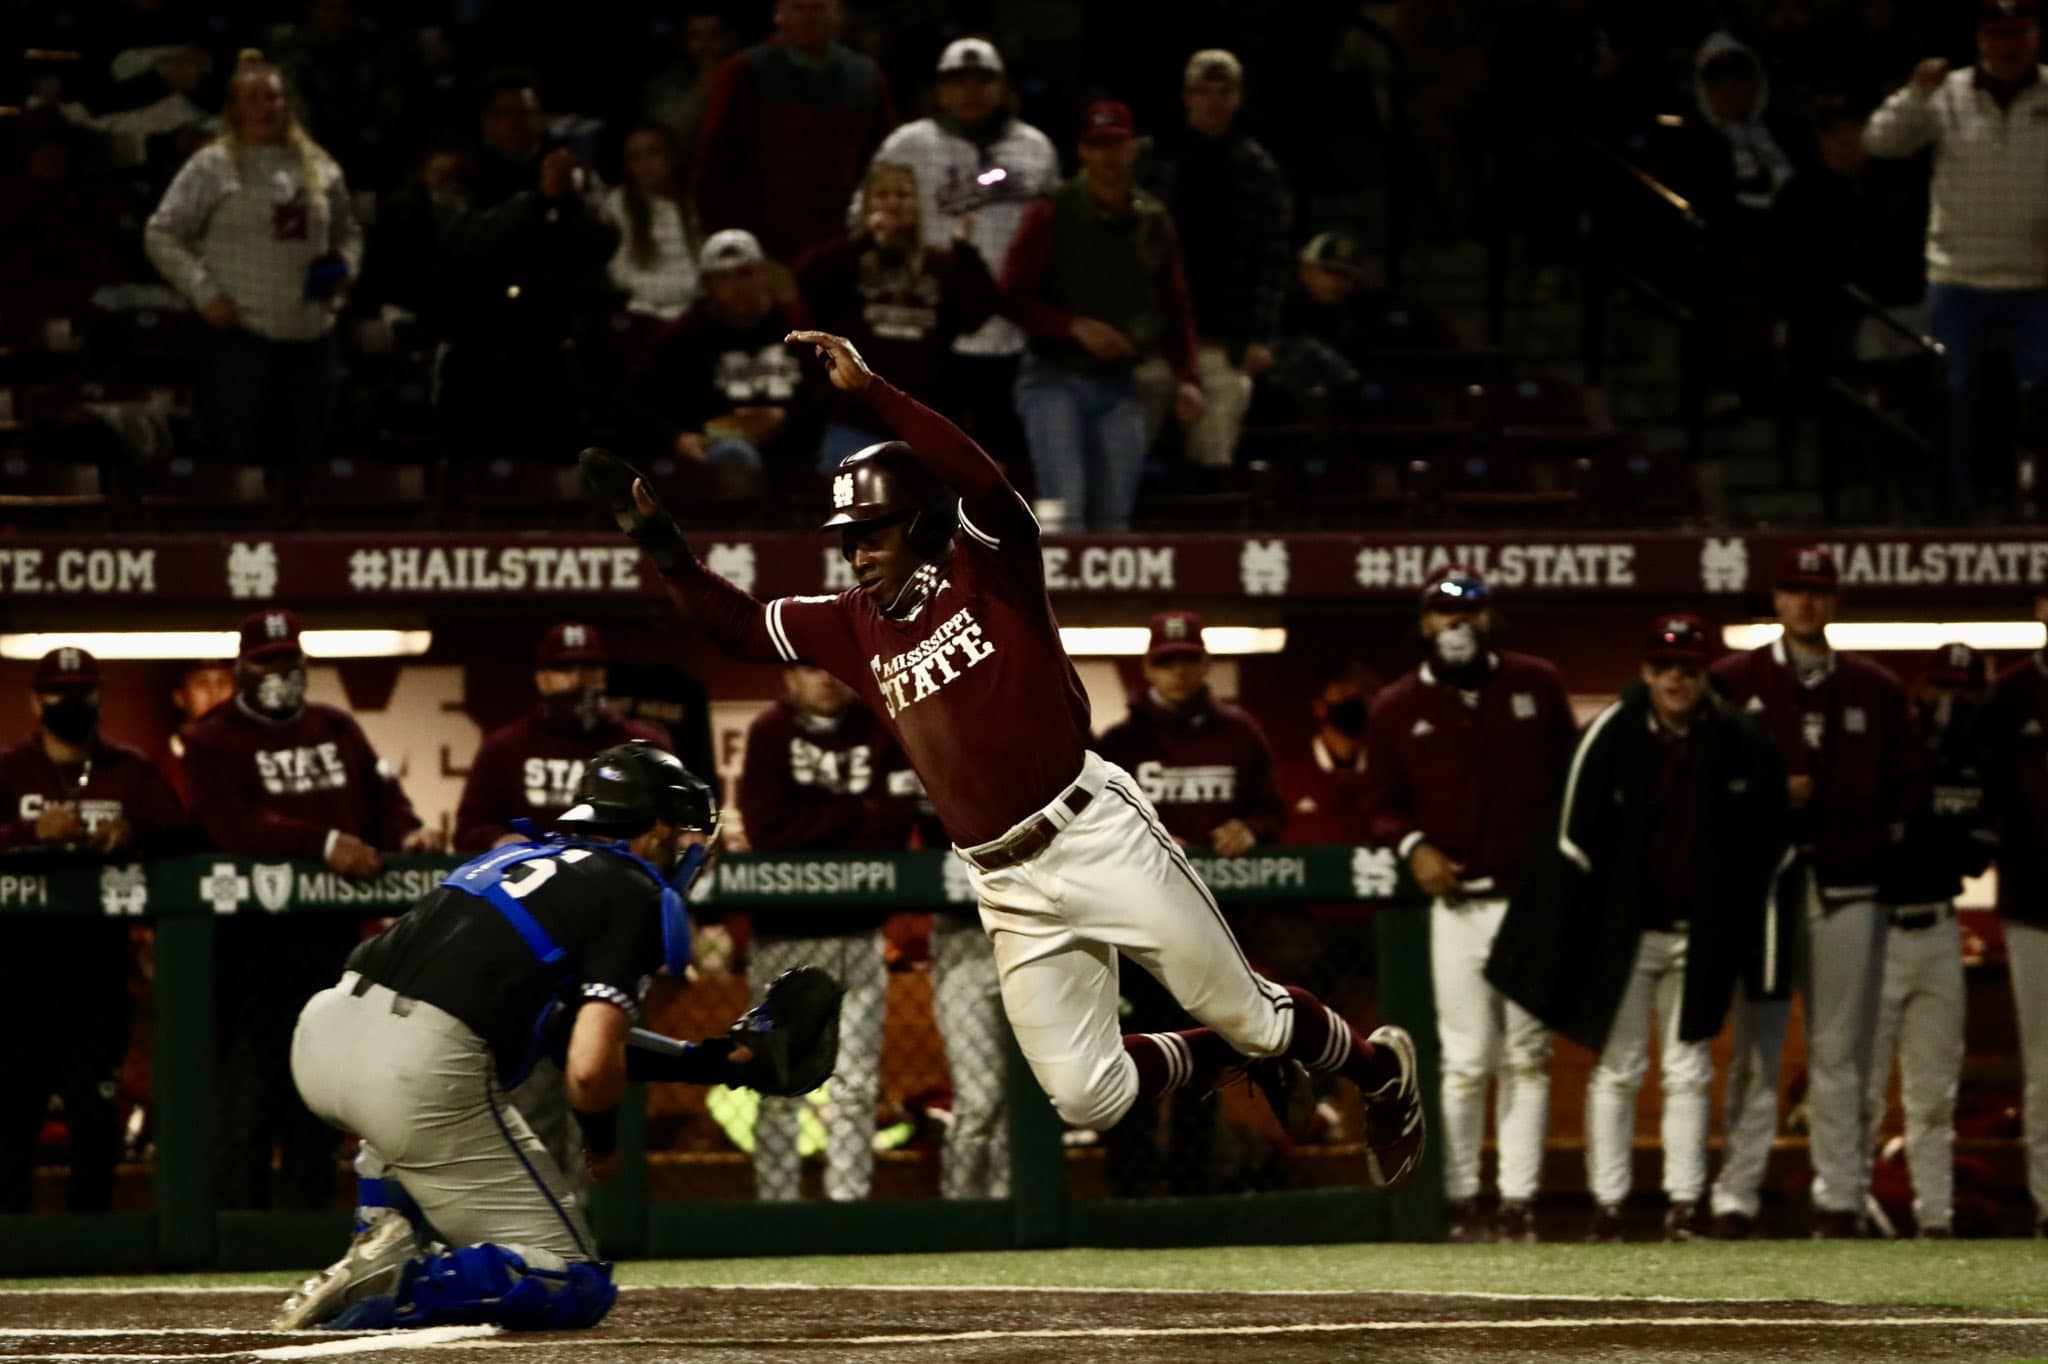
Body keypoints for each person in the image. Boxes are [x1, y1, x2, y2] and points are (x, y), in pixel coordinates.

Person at [584, 328, 1425, 1196]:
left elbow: (983, 479)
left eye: (872, 531)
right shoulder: (850, 622)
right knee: (1086, 1094)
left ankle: (1376, 1074)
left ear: (919, 519)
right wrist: (661, 542)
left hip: (1091, 829)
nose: (856, 551)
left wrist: (875, 392)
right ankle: (1240, 1056)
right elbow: (737, 626)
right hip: (1002, 879)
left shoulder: (992, 569)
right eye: (850, 536)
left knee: (1246, 1011)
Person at [274, 743, 831, 1331]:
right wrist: (601, 1138)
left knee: (412, 1096)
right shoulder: (636, 889)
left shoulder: (515, 858)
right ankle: (406, 1279)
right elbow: (589, 1069)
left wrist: (710, 1061)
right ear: (661, 826)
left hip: (324, 1034)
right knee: (574, 1279)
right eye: (690, 832)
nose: (695, 850)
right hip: (416, 1070)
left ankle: (382, 1232)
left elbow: (558, 1032)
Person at [1489, 616, 1789, 1243]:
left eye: (1689, 668)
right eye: (1664, 667)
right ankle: (1611, 1205)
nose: (1676, 679)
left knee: (1689, 1068)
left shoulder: (1738, 736)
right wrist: (1579, 931)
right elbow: (1570, 839)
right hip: (1626, 934)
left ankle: (1684, 1204)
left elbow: (1768, 839)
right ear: (1646, 672)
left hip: (1701, 933)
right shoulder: (1612, 733)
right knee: (1619, 1067)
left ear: (1706, 675)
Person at [182, 609, 439, 1210]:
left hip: (335, 957)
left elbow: (385, 801)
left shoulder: (336, 728)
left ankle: (309, 1239)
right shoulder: (213, 739)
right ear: (242, 667)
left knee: (320, 1109)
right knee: (246, 1110)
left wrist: (410, 834)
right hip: (249, 961)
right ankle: (234, 1244)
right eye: (265, 661)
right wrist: (322, 843)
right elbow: (229, 822)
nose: (278, 673)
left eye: (287, 661)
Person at [1357, 567, 1577, 1242]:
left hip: (1529, 904)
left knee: (1529, 1056)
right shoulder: (1396, 706)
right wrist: (1415, 844)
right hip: (1454, 908)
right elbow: (1379, 808)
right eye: (1443, 612)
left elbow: (1573, 787)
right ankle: (1457, 1201)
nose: (1457, 623)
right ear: (1423, 623)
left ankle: (1518, 1202)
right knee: (1465, 1060)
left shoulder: (1536, 685)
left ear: (1489, 618)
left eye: (1469, 610)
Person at [1707, 546, 1909, 1239]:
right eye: (1795, 590)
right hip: (1762, 887)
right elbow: (1706, 789)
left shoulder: (1875, 687)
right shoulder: (1732, 680)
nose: (1806, 603)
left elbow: (1902, 789)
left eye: (1818, 591)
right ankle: (1735, 1194)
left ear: (1835, 600)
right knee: (1757, 1048)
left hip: (1848, 884)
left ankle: (1841, 1197)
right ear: (1778, 598)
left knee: (1838, 1050)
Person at [1094, 610, 1287, 1194]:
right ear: (1148, 666)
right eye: (1165, 661)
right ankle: (1127, 1201)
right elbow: (1090, 830)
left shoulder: (1240, 733)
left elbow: (1271, 810)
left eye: (1187, 660)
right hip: (1135, 944)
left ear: (1205, 664)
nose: (1177, 673)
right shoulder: (1119, 743)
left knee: (1204, 1069)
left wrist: (1249, 830)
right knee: (1133, 1065)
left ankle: (1192, 1195)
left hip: (1216, 934)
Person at [0, 648, 192, 1213]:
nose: (72, 703)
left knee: (94, 1122)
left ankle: (92, 1256)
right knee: (11, 1121)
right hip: (15, 979)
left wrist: (132, 832)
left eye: (83, 691)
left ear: (100, 697)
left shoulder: (129, 769)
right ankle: (11, 1251)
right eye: (59, 692)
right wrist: (29, 829)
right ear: (37, 701)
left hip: (97, 979)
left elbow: (185, 835)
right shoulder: (10, 769)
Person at [1865, 0, 2048, 518]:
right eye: (1997, 33)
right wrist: (1914, 93)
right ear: (1981, 41)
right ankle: (1955, 513)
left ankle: (2035, 507)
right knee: (1954, 394)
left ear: (2035, 36)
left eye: (2019, 32)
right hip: (1958, 278)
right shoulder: (1945, 93)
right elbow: (1880, 141)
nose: (2009, 44)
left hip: (2037, 280)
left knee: (2043, 399)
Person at [737, 666, 913, 1201]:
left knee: (857, 1084)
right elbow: (767, 830)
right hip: (782, 935)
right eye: (811, 666)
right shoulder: (769, 731)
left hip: (859, 932)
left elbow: (892, 823)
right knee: (776, 1076)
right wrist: (853, 812)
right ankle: (777, 1208)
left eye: (834, 664)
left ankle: (848, 1204)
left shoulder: (882, 726)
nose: (827, 677)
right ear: (789, 675)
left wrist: (813, 821)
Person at [144, 48, 362, 472]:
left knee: (306, 467)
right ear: (235, 108)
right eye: (255, 98)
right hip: (242, 338)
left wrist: (345, 268)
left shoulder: (319, 165)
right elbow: (161, 233)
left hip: (312, 338)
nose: (267, 107)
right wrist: (204, 294)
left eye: (275, 97)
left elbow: (349, 232)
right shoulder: (212, 165)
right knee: (243, 465)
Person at [855, 37, 1059, 469]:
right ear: (941, 90)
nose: (970, 92)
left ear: (1002, 87)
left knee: (1009, 462)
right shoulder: (909, 143)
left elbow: (1054, 235)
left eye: (982, 81)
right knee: (936, 457)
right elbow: (862, 214)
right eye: (958, 81)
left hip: (1017, 327)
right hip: (935, 326)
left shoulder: (1036, 147)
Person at [1001, 101, 1203, 530]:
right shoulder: (1052, 211)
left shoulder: (1152, 219)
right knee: (1064, 515)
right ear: (1082, 151)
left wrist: (1186, 377)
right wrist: (1072, 326)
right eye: (1099, 145)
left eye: (1117, 145)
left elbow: (1175, 302)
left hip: (1120, 384)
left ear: (1132, 148)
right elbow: (1010, 297)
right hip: (1053, 377)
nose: (1109, 156)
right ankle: (1049, 599)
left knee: (1115, 521)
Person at [1866, 643, 1993, 1239]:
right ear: (1922, 689)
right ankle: (1840, 1208)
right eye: (1943, 687)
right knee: (1860, 1086)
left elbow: (1974, 856)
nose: (1952, 700)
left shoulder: (1978, 759)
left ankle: (1935, 1220)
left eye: (1965, 691)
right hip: (1879, 927)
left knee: (1934, 1090)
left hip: (1940, 927)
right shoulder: (1892, 745)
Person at [437, 71, 619, 463]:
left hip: (553, 337)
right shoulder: (461, 173)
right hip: (479, 336)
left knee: (558, 461)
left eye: (527, 113)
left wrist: (572, 198)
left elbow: (606, 238)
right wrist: (538, 200)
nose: (517, 123)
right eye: (506, 113)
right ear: (488, 121)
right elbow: (465, 242)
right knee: (473, 462)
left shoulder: (571, 171)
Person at [1133, 50, 1292, 468]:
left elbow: (1272, 256)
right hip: (1153, 337)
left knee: (1214, 458)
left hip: (1225, 338)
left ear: (1238, 97)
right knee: (1126, 458)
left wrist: (1261, 334)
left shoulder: (1256, 166)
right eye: (1205, 91)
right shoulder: (1151, 158)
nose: (1215, 101)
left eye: (1225, 92)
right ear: (1188, 95)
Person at [794, 161, 1000, 469]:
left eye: (902, 195)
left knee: (926, 514)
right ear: (866, 206)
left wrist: (963, 247)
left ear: (917, 206)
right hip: (854, 417)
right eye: (883, 195)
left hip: (920, 419)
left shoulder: (938, 265)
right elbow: (806, 282)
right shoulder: (847, 261)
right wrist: (865, 242)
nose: (892, 203)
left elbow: (976, 314)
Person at [694, 0, 895, 263]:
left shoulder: (865, 77)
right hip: (762, 250)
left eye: (818, 7)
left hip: (846, 244)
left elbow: (883, 166)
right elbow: (713, 169)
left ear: (838, 15)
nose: (807, 17)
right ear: (778, 14)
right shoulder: (743, 72)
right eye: (798, 7)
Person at [455, 622, 672, 852]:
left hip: (625, 879)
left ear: (603, 677)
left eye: (589, 667)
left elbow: (678, 820)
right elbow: (468, 831)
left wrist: (686, 838)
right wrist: (499, 840)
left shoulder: (643, 746)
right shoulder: (504, 749)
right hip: (531, 881)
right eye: (563, 668)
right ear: (541, 679)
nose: (577, 679)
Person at [629, 228, 821, 477]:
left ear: (762, 276)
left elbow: (825, 391)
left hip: (796, 444)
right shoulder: (683, 334)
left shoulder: (797, 324)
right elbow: (637, 400)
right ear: (707, 285)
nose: (736, 286)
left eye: (744, 273)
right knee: (734, 457)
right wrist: (677, 437)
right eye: (723, 277)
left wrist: (789, 418)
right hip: (719, 450)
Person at [1978, 588, 2048, 1238]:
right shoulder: (2010, 692)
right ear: (2041, 608)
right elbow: (1990, 801)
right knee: (2044, 1063)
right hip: (2034, 904)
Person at [605, 124, 700, 324]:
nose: (645, 163)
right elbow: (620, 274)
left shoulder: (695, 201)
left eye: (653, 152)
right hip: (644, 317)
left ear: (671, 155)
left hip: (697, 315)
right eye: (635, 156)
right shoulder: (619, 205)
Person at [640, 8, 734, 168]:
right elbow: (668, 134)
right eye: (696, 37)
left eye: (714, 35)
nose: (706, 45)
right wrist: (701, 90)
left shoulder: (747, 77)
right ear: (684, 42)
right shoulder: (666, 85)